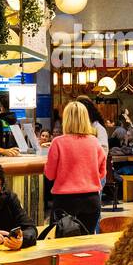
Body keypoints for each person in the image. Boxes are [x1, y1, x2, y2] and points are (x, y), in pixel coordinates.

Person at [42, 100, 106, 234]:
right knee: (85, 243)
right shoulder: (94, 142)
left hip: (65, 201)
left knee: (62, 245)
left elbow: (50, 174)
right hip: (91, 200)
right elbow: (102, 173)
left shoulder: (58, 143)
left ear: (66, 119)